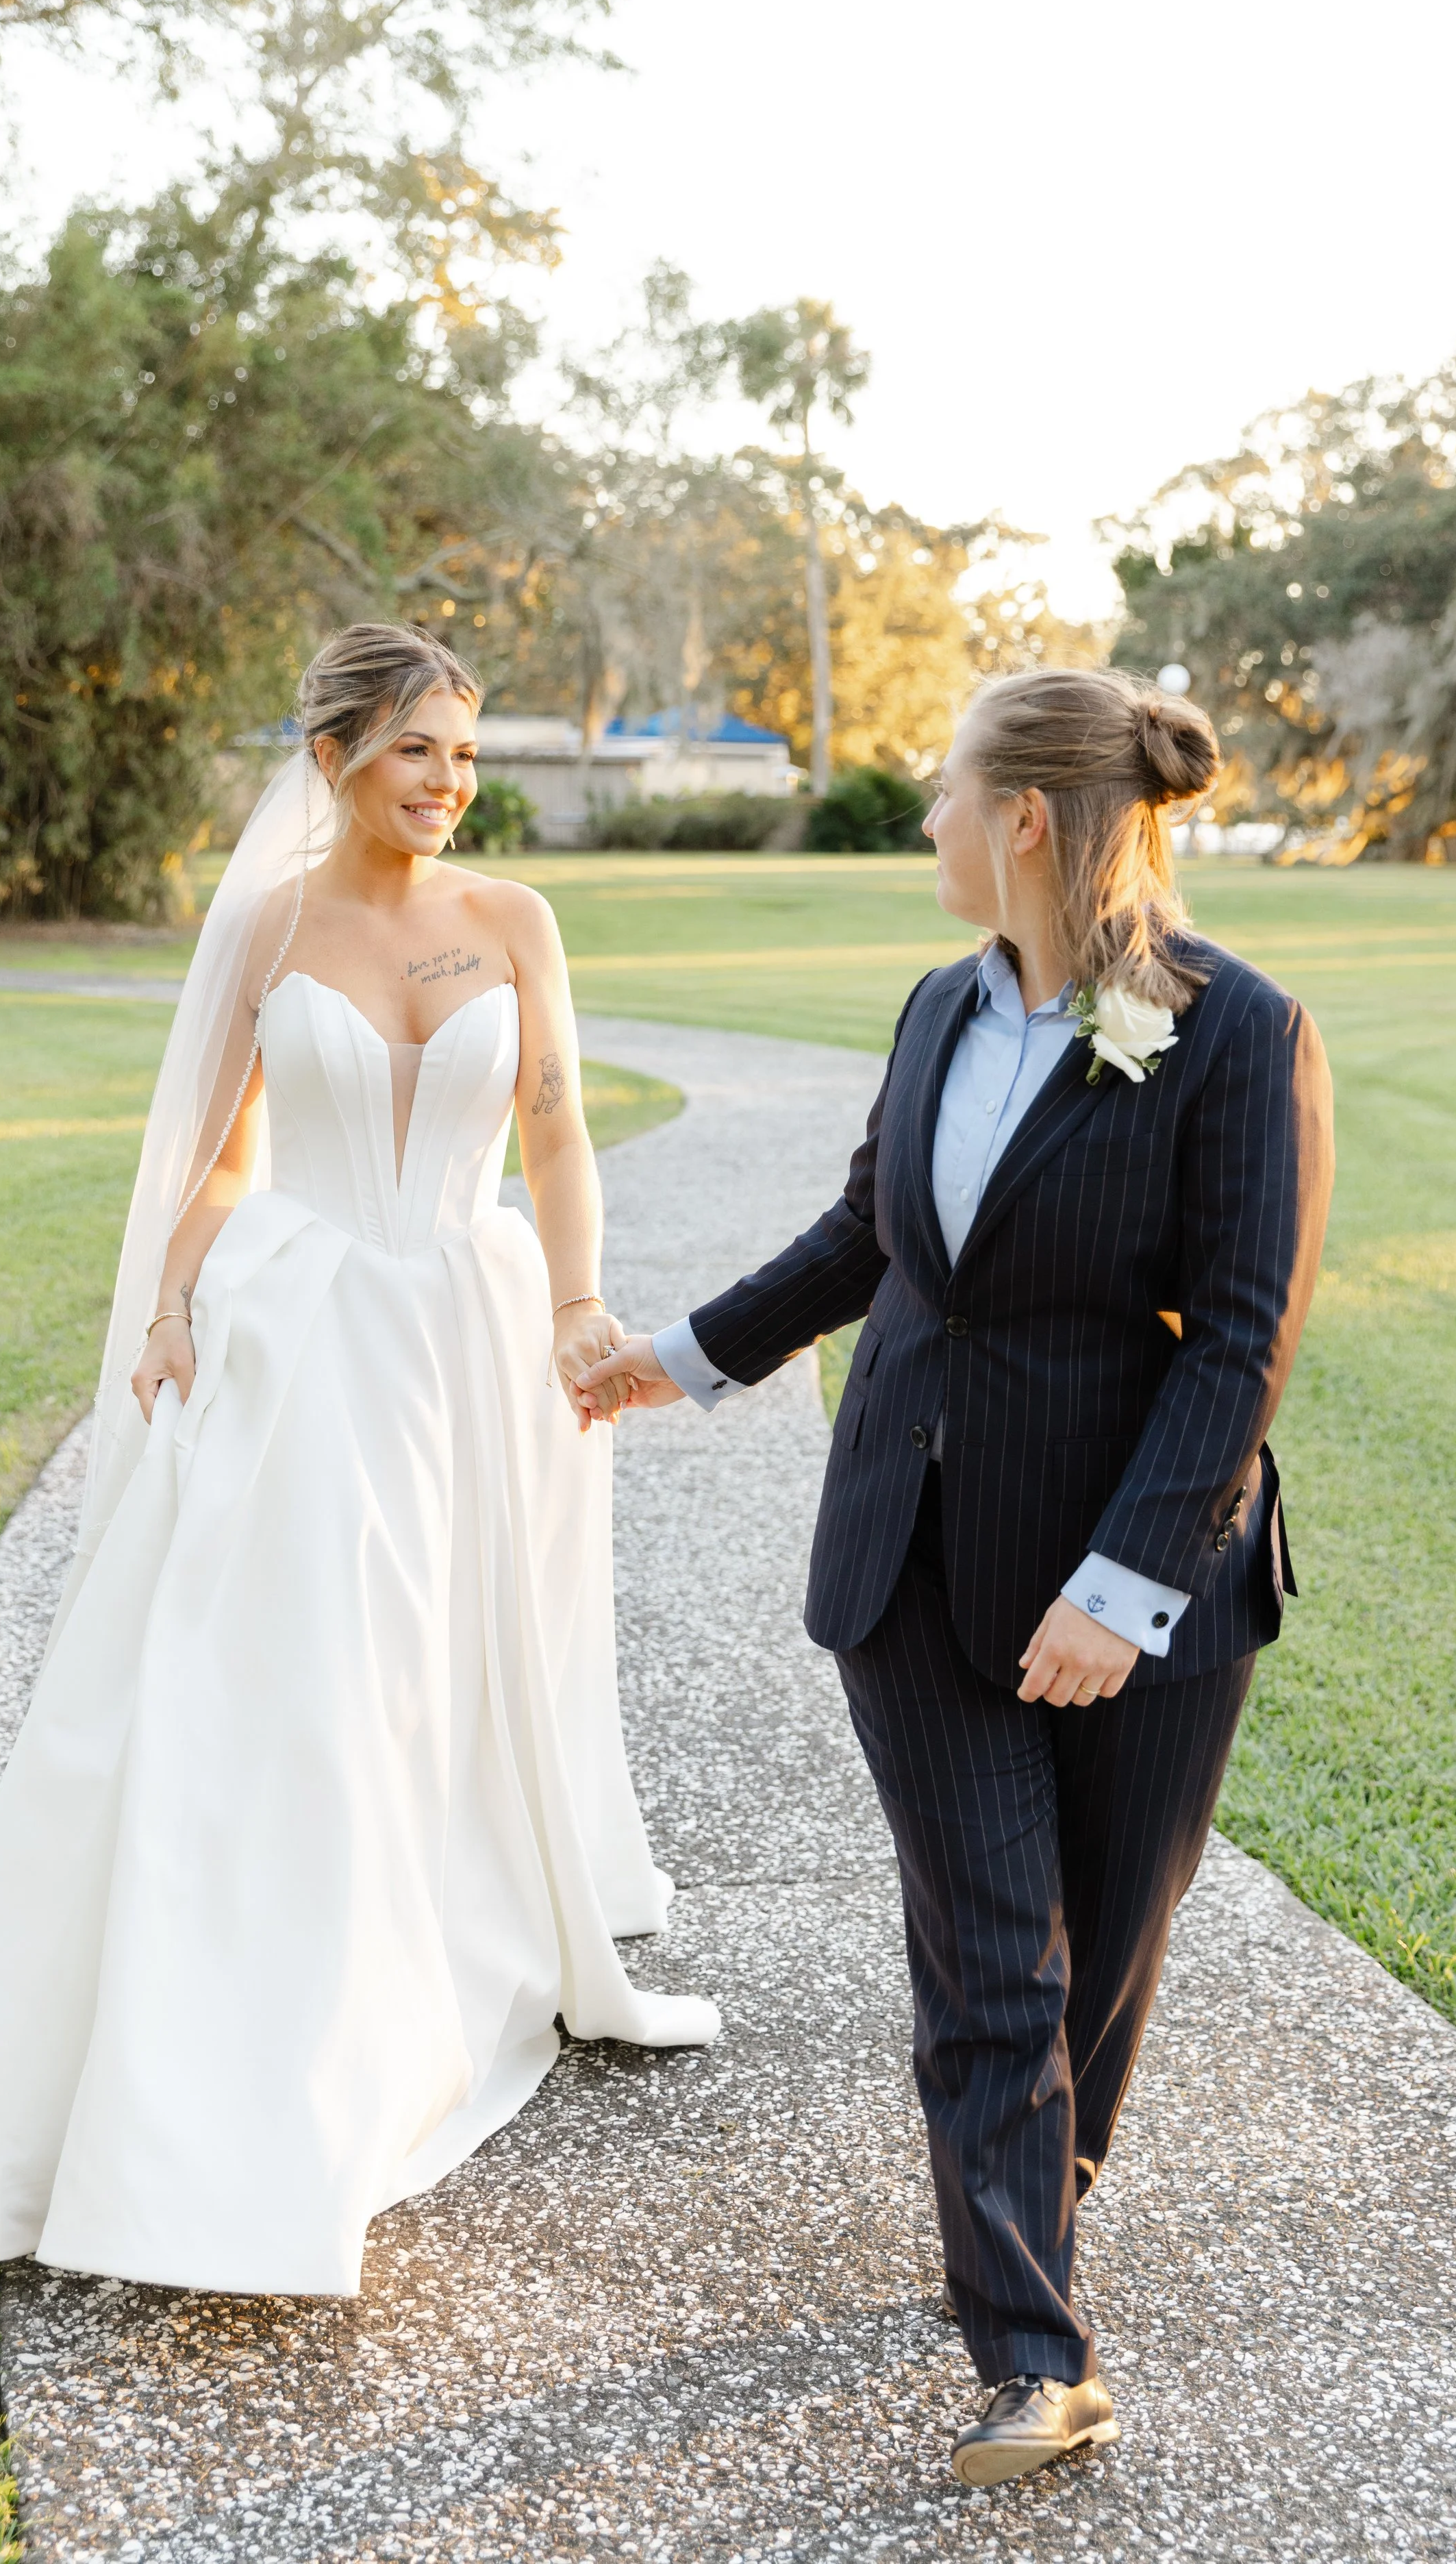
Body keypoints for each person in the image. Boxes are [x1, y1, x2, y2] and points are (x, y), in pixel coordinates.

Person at [0, 621, 718, 2298]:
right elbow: (218, 1157)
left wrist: (572, 1302)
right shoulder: (270, 921)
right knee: (299, 1657)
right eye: (419, 750)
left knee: (432, 1647)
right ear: (334, 752)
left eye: (467, 758)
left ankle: (433, 1916)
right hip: (301, 1325)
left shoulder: (514, 921)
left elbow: (550, 1124)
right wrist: (175, 1304)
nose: (449, 786)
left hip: (466, 1332)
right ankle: (279, 2006)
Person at [578, 667, 1333, 2486]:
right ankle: (1031, 2349)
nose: (918, 821)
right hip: (911, 1549)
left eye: (939, 793)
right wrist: (674, 1355)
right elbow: (870, 1235)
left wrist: (1126, 1583)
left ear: (1021, 820)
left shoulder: (1234, 1032)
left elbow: (1238, 1337)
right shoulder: (931, 1007)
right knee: (993, 1953)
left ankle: (1025, 2202)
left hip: (1138, 1582)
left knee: (1099, 1961)